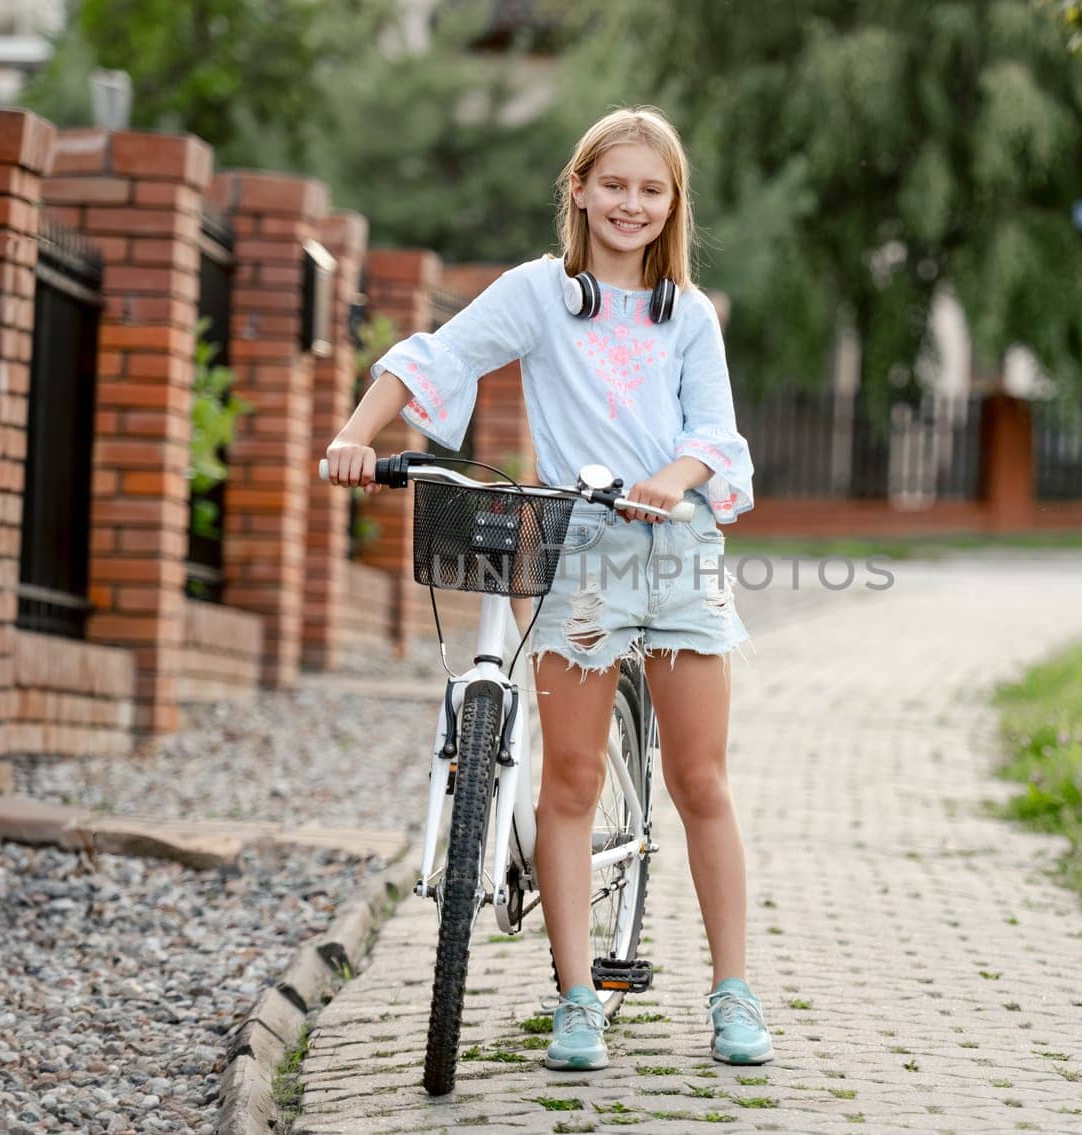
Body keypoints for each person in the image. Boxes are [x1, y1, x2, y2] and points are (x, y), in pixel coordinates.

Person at [323, 106, 770, 1072]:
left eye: (652, 190)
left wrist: (677, 480)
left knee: (701, 779)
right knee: (566, 782)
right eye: (615, 184)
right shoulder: (539, 294)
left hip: (674, 550)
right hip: (576, 551)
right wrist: (357, 434)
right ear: (578, 188)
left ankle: (733, 991)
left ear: (673, 203)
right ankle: (577, 998)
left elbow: (715, 435)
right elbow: (432, 357)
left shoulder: (686, 314)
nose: (632, 204)